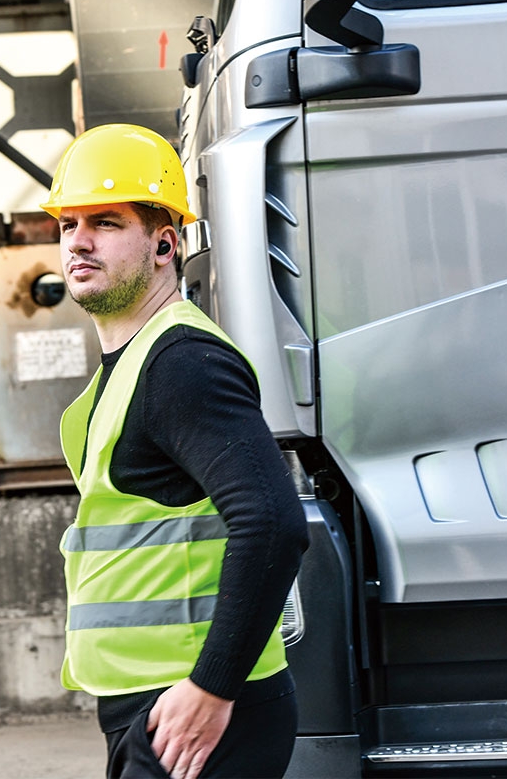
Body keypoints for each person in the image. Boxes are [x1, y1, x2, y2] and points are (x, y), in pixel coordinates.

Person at [40, 123, 309, 779]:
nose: (78, 241)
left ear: (165, 244)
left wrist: (212, 686)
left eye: (105, 222)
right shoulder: (133, 367)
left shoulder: (182, 363)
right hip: (155, 702)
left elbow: (273, 522)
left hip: (194, 706)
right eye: (68, 224)